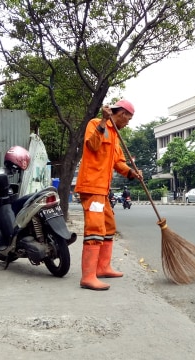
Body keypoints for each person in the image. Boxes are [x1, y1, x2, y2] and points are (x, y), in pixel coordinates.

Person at [74, 99, 142, 291]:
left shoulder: (115, 136)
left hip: (103, 190)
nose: (128, 122)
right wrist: (103, 121)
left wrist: (131, 173)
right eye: (128, 119)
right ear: (120, 114)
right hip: (92, 186)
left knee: (109, 226)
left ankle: (103, 267)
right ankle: (88, 276)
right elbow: (93, 146)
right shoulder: (95, 124)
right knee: (95, 228)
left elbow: (119, 162)